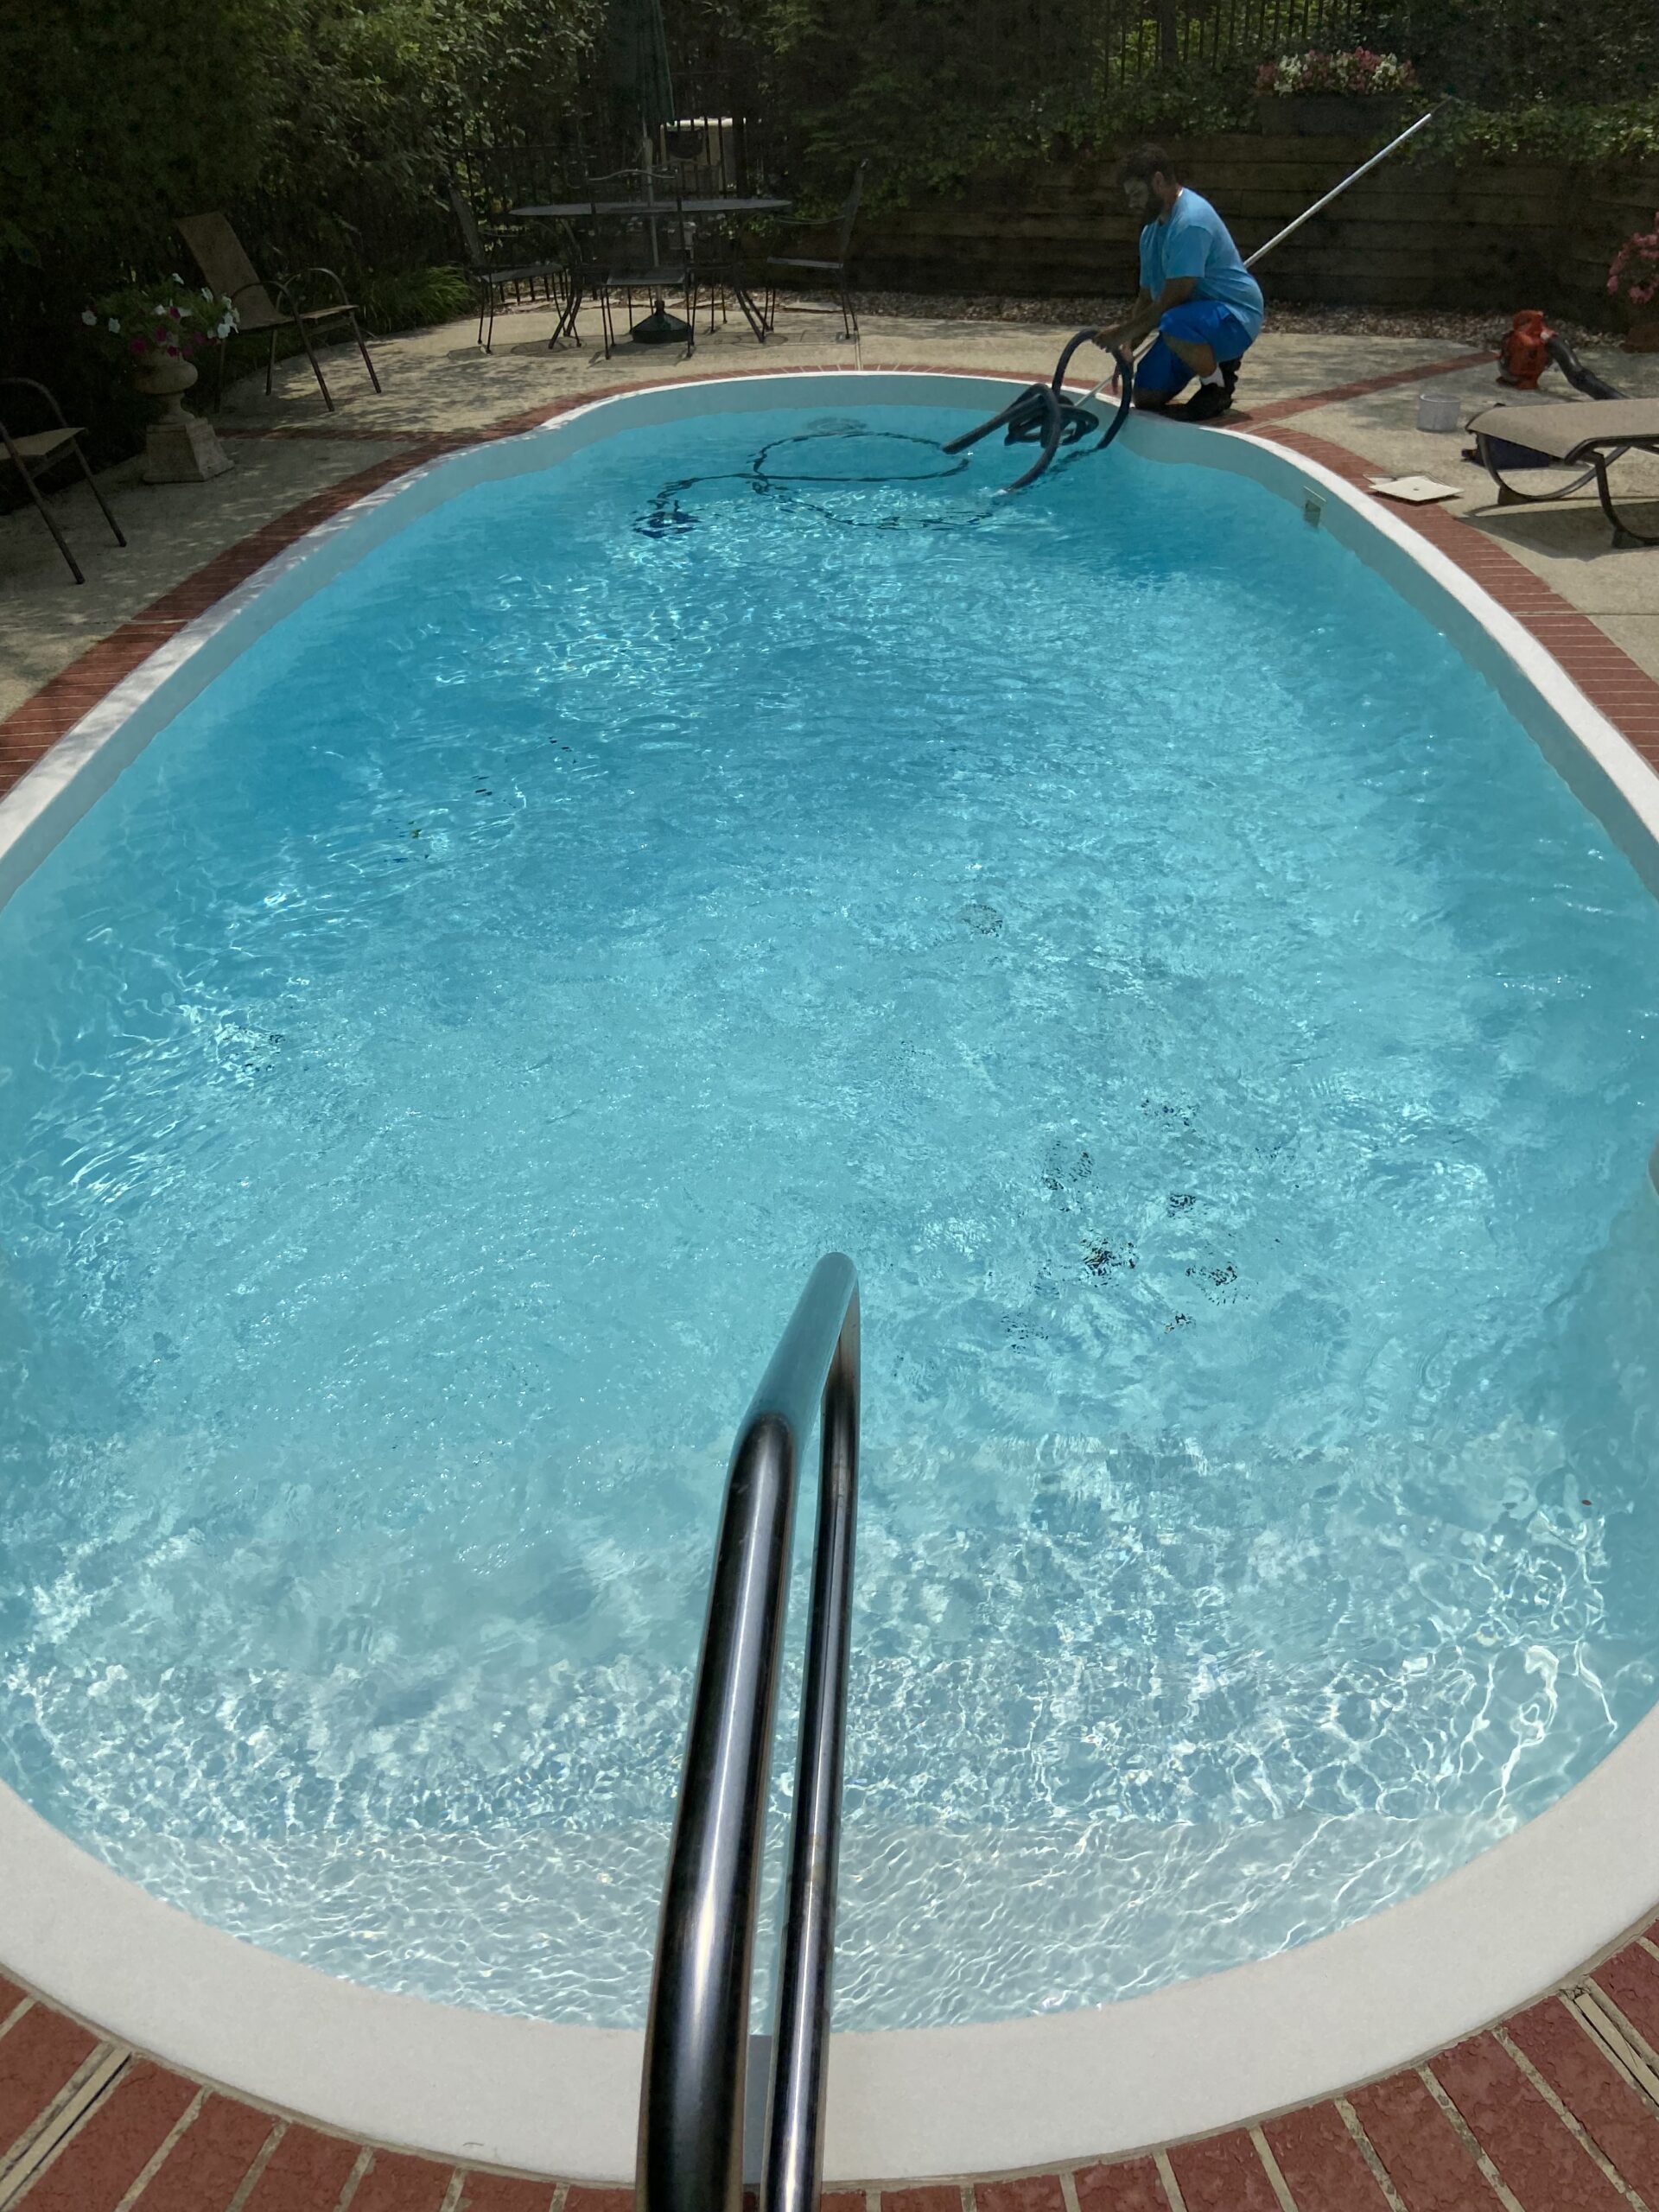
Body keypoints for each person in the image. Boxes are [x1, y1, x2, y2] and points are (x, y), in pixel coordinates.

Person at [1093, 144, 1264, 422]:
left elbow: (1173, 299)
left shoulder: (1190, 221)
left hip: (1235, 316)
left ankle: (1216, 386)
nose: (1132, 204)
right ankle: (1208, 360)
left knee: (1172, 321)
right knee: (1145, 396)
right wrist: (1128, 348)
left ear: (1158, 182)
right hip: (1189, 322)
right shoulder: (1150, 233)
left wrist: (1121, 333)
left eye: (1137, 195)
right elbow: (1147, 297)